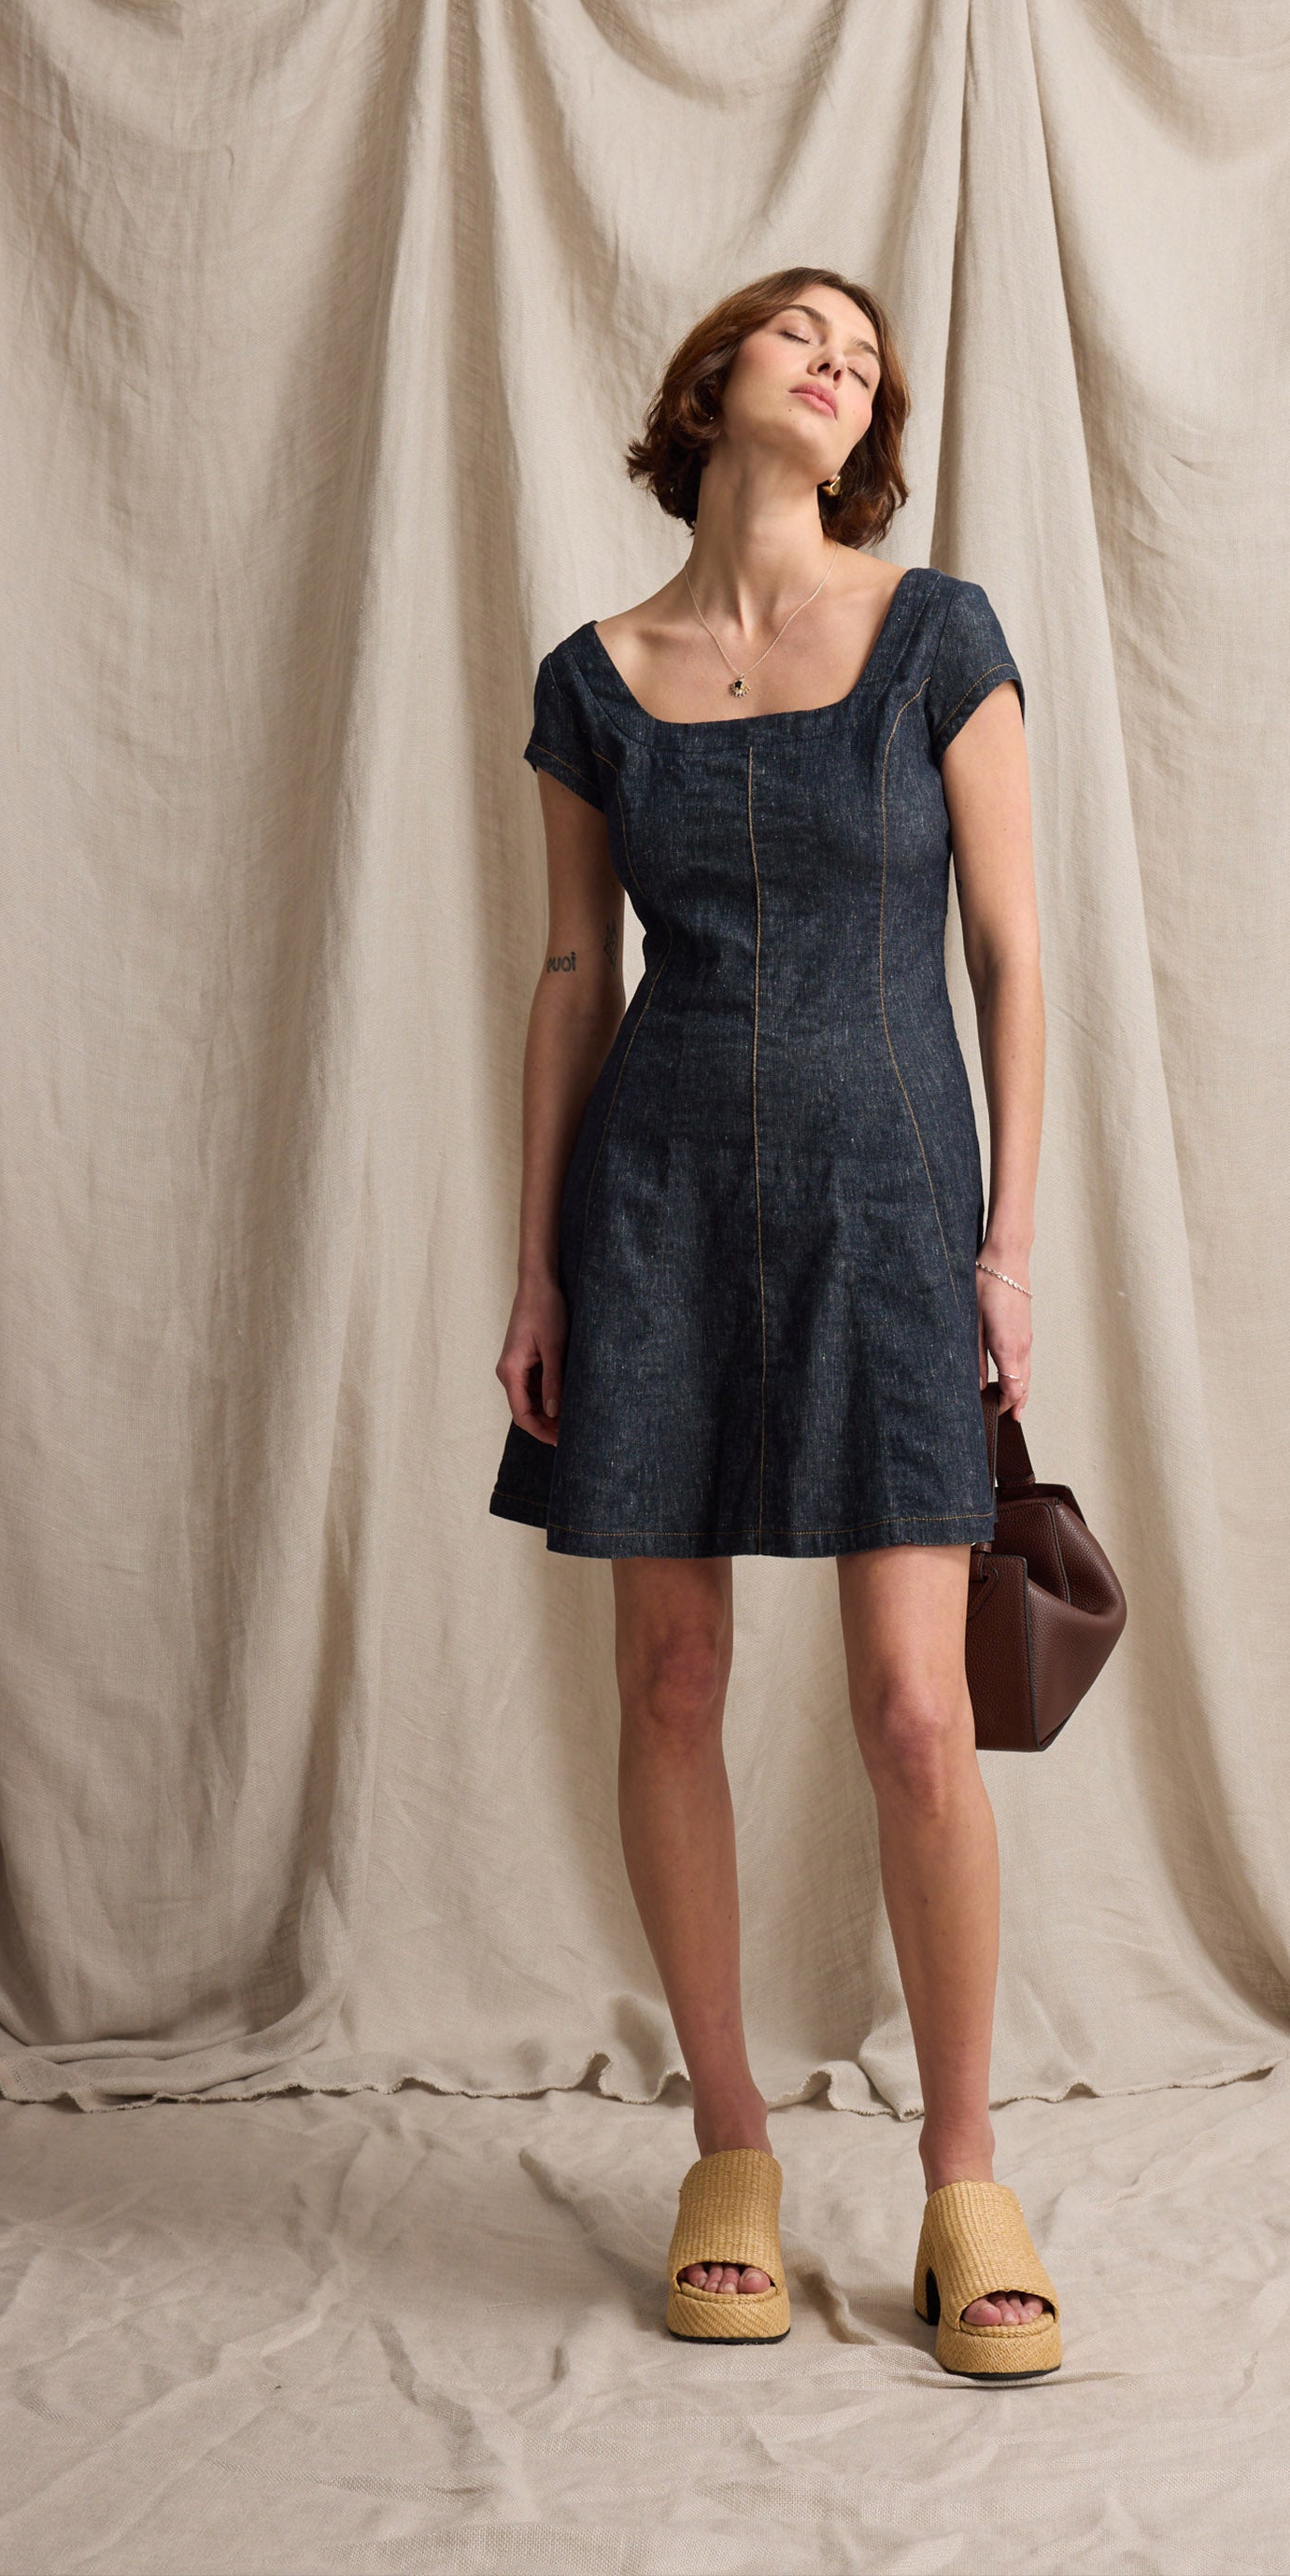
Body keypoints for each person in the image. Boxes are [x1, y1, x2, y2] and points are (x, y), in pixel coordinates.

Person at [488, 267, 1059, 2377]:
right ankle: (727, 2147)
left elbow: (1010, 950)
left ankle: (962, 2176)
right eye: (805, 332)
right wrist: (538, 1264)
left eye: (868, 359)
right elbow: (575, 974)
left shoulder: (937, 636)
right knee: (668, 1680)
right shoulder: (594, 679)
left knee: (915, 1708)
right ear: (714, 375)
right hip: (651, 1207)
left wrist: (1007, 1246)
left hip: (889, 1203)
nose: (841, 364)